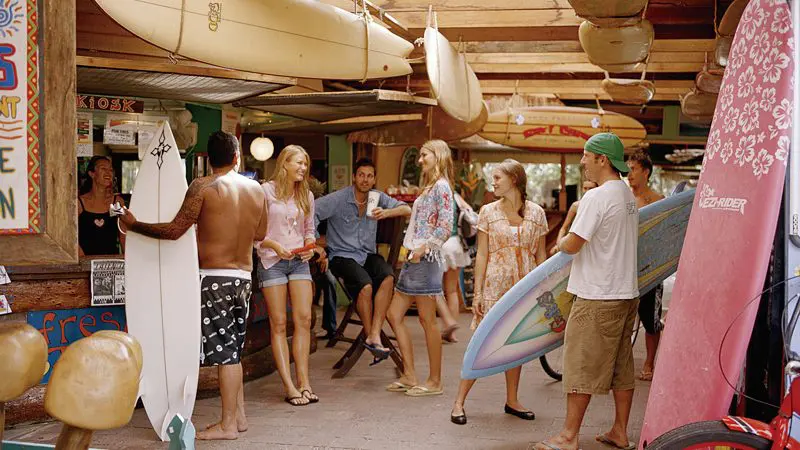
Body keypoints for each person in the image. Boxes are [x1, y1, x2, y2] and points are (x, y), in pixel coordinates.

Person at [120, 131, 267, 441]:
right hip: (244, 278)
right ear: (237, 156)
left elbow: (174, 230)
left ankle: (227, 425)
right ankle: (238, 417)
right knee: (235, 351)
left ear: (209, 160)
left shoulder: (203, 187)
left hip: (214, 279)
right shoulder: (256, 189)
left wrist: (135, 226)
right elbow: (261, 233)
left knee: (225, 354)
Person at [536, 133, 639, 450]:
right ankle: (620, 431)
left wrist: (565, 228)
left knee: (579, 364)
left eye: (585, 156)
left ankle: (568, 437)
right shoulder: (626, 194)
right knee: (622, 367)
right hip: (625, 293)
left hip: (597, 295)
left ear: (601, 159)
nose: (582, 162)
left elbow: (570, 246)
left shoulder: (597, 198)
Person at [450, 159, 547, 425]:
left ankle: (512, 399)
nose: (492, 183)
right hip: (495, 286)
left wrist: (544, 294)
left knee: (516, 343)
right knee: (482, 343)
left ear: (514, 180)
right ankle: (458, 402)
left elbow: (540, 255)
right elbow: (482, 254)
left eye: (497, 178)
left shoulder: (537, 213)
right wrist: (477, 293)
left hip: (525, 287)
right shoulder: (487, 212)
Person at [314, 158, 411, 363]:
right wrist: (314, 244)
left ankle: (373, 335)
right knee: (365, 285)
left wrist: (386, 212)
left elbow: (406, 209)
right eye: (361, 175)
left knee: (387, 277)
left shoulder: (376, 198)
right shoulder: (338, 199)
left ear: (374, 179)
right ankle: (372, 338)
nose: (365, 180)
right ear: (354, 177)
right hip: (341, 255)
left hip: (366, 254)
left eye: (369, 176)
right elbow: (311, 212)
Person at [385, 139, 455, 397]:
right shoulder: (430, 187)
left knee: (427, 321)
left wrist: (423, 248)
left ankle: (435, 381)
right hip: (414, 258)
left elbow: (445, 226)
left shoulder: (441, 187)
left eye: (424, 155)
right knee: (393, 315)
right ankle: (410, 374)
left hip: (425, 260)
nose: (420, 160)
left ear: (437, 155)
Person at [256, 144, 320, 407]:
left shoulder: (307, 194)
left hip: (299, 262)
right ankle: (289, 386)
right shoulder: (264, 192)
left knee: (304, 320)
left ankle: (305, 383)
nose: (303, 169)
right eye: (298, 163)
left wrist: (310, 246)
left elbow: (309, 229)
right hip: (272, 261)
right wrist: (275, 247)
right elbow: (256, 233)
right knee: (279, 323)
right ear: (284, 164)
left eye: (305, 164)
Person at [626, 151, 665, 382]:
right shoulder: (624, 199)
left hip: (651, 270)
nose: (629, 174)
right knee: (622, 321)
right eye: (627, 169)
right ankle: (620, 366)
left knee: (651, 320)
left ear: (646, 172)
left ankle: (649, 362)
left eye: (633, 169)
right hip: (625, 268)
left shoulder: (659, 201)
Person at [438, 192, 477, 344]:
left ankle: (446, 322)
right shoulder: (455, 195)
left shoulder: (436, 193)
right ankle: (451, 330)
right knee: (452, 289)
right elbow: (469, 212)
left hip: (443, 244)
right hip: (457, 243)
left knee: (434, 288)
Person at [78, 156, 126, 255]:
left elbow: (123, 233)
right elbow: (70, 236)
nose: (108, 173)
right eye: (103, 168)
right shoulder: (80, 203)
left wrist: (128, 262)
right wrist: (82, 260)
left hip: (110, 266)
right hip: (85, 264)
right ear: (92, 174)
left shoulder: (115, 203)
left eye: (111, 170)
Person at [549, 181, 598, 256]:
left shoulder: (599, 206)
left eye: (591, 188)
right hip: (575, 245)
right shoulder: (576, 206)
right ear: (582, 189)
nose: (587, 191)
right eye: (585, 188)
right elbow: (563, 228)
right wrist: (558, 245)